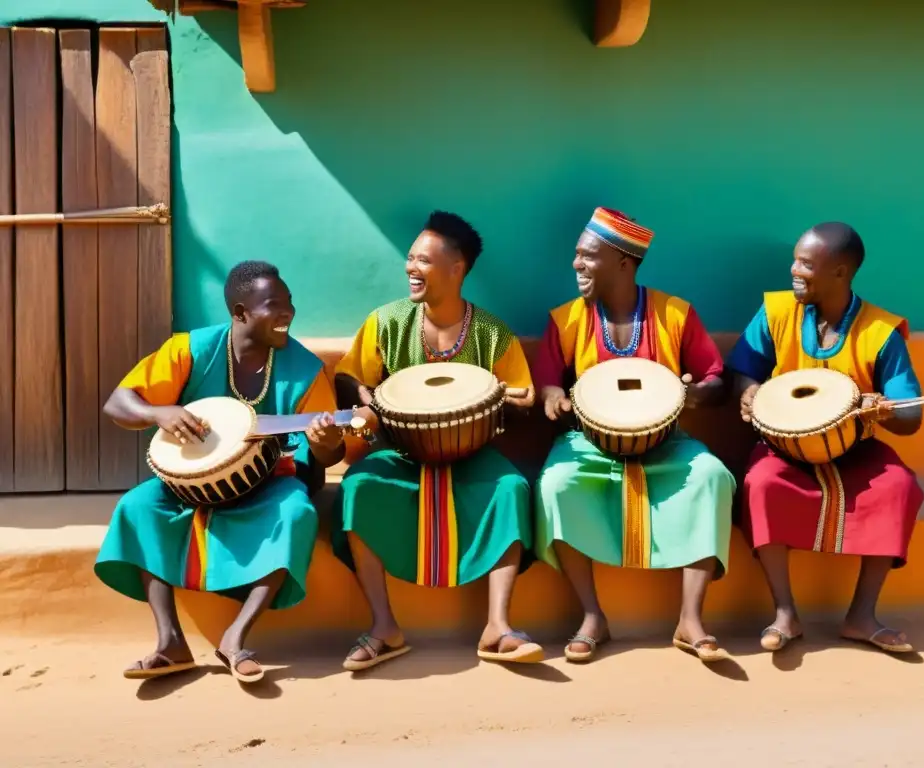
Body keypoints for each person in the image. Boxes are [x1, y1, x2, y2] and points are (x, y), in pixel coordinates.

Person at [95, 260, 352, 684]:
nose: (288, 312)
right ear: (240, 312)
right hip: (191, 480)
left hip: (270, 481)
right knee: (138, 505)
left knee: (297, 515)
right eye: (274, 304)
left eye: (290, 303)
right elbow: (118, 403)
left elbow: (324, 456)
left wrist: (326, 443)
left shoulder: (305, 370)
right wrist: (157, 412)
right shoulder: (189, 350)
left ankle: (235, 637)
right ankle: (170, 642)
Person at [332, 210, 541, 671]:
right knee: (357, 488)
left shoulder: (491, 333)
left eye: (423, 260)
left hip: (471, 453)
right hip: (401, 453)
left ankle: (498, 627)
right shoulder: (386, 322)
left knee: (511, 489)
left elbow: (523, 395)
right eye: (410, 258)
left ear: (457, 269)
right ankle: (384, 626)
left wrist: (502, 400)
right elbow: (348, 376)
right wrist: (367, 397)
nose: (411, 268)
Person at [533, 207, 737, 664]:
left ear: (624, 263)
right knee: (555, 484)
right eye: (576, 255)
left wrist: (696, 394)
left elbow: (715, 379)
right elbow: (547, 381)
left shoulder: (676, 314)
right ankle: (591, 617)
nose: (576, 265)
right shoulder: (564, 320)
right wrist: (553, 399)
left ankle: (690, 619)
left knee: (712, 477)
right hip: (589, 443)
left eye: (587, 256)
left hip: (667, 442)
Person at [727, 222, 924, 654]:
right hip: (782, 445)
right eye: (795, 260)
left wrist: (885, 409)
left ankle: (861, 617)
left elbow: (911, 414)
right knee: (761, 485)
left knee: (898, 486)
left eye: (806, 264)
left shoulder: (881, 332)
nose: (794, 270)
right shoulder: (777, 312)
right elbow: (743, 368)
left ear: (840, 273)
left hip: (853, 448)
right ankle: (785, 613)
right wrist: (748, 392)